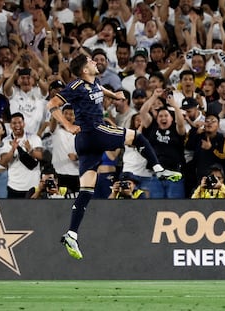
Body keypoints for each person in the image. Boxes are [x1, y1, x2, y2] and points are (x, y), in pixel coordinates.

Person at [46, 54, 182, 260]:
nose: (94, 62)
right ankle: (159, 170)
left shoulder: (96, 82)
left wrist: (115, 95)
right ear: (84, 70)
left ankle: (72, 233)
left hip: (86, 142)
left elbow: (99, 90)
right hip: (93, 130)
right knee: (136, 136)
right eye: (91, 61)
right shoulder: (76, 86)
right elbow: (52, 105)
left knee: (86, 189)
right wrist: (67, 125)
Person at [0, 112, 44, 198]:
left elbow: (41, 157)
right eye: (14, 123)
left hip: (33, 186)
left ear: (24, 124)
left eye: (19, 122)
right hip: (14, 186)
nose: (17, 125)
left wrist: (31, 150)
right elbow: (4, 162)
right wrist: (12, 149)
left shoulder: (34, 138)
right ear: (10, 125)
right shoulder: (5, 141)